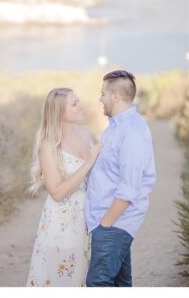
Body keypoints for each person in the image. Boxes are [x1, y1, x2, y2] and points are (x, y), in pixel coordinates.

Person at [84, 70, 156, 286]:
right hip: (108, 222)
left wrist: (105, 225)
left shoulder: (132, 132)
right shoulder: (114, 128)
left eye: (103, 93)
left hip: (114, 223)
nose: (100, 98)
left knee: (98, 283)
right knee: (119, 285)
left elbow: (129, 188)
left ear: (115, 96)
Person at [27, 87, 103, 287]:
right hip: (62, 222)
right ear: (60, 112)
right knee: (59, 278)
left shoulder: (87, 133)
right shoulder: (49, 145)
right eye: (74, 103)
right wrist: (88, 163)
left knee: (82, 277)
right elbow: (57, 192)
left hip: (88, 217)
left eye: (79, 101)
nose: (80, 106)